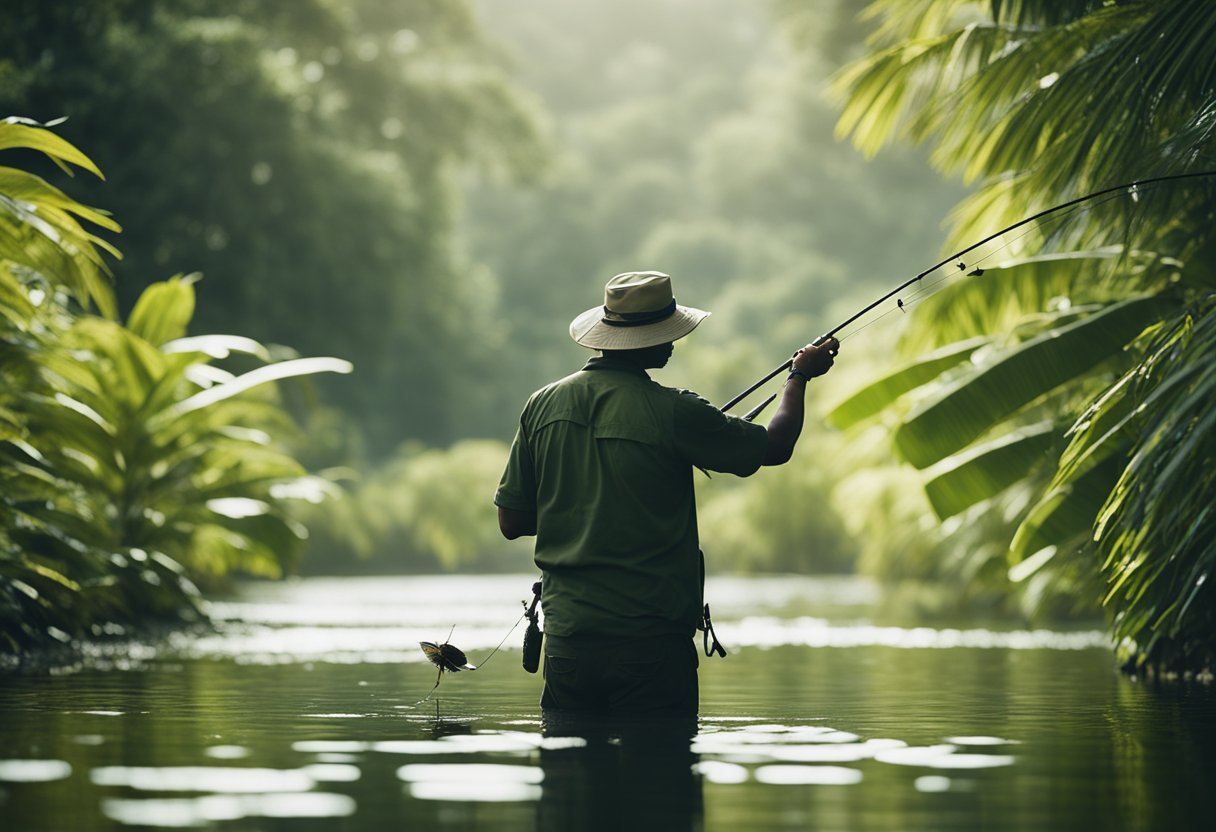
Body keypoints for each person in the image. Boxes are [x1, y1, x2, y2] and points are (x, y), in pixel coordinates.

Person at [494, 271, 839, 715]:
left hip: (569, 642)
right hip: (651, 643)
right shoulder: (675, 411)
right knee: (660, 777)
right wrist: (798, 376)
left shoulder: (541, 405)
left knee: (571, 777)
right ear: (645, 341)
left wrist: (581, 505)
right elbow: (775, 446)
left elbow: (511, 521)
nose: (675, 342)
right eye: (667, 332)